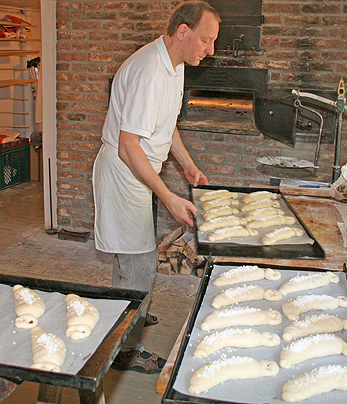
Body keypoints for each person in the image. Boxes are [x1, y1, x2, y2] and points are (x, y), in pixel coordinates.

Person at [92, 1, 220, 373]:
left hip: (140, 171)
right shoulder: (150, 71)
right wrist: (168, 196)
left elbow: (167, 124)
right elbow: (128, 145)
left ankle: (124, 310)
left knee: (131, 257)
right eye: (206, 40)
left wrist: (188, 165)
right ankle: (124, 350)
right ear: (183, 31)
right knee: (140, 263)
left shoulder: (174, 64)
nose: (209, 50)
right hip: (125, 174)